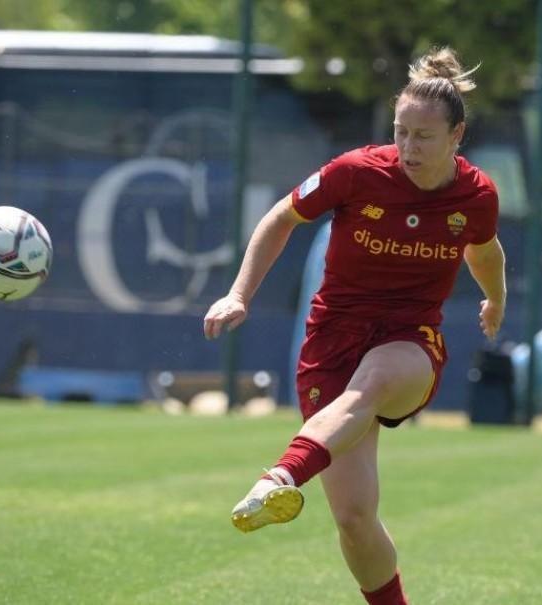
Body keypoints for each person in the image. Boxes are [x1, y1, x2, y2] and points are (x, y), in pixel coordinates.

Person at [203, 46, 506, 605]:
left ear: (456, 137)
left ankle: (280, 477)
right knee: (354, 518)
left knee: (374, 379)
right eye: (401, 132)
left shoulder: (478, 194)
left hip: (411, 343)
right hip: (331, 342)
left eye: (424, 137)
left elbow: (485, 252)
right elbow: (281, 218)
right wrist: (238, 293)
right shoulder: (355, 173)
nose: (409, 148)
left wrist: (495, 300)